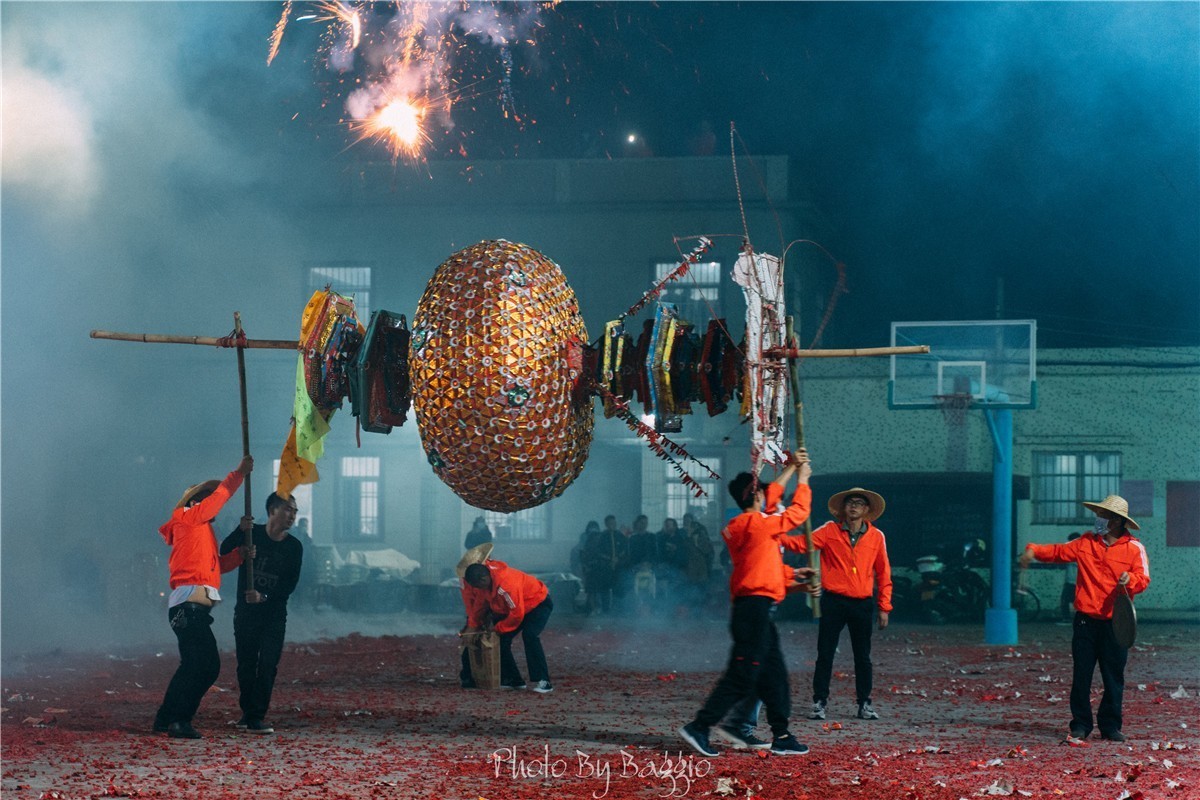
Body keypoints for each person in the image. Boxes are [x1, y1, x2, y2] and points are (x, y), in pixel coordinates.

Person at [678, 449, 816, 758]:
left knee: (774, 675)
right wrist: (803, 479)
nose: (771, 498)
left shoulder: (750, 526)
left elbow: (766, 564)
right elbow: (796, 513)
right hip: (752, 609)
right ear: (756, 497)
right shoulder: (756, 524)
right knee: (742, 675)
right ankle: (700, 726)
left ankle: (781, 733)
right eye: (765, 495)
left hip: (759, 609)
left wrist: (792, 467)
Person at [1019, 495, 1150, 743]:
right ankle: (1080, 725)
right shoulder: (1086, 543)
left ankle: (1110, 726)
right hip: (1085, 622)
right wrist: (1033, 550)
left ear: (1119, 521)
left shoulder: (1135, 548)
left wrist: (1129, 580)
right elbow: (1058, 552)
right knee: (1082, 675)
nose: (1100, 520)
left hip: (1116, 623)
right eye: (1099, 514)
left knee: (1113, 676)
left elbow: (1143, 579)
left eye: (1106, 516)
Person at [152, 455, 254, 740]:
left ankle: (166, 718)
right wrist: (238, 475)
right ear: (196, 501)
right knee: (205, 665)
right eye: (207, 498)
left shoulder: (199, 529)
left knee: (194, 664)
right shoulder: (188, 517)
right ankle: (179, 720)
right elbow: (220, 496)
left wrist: (239, 556)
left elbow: (215, 567)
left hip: (191, 607)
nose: (214, 504)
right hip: (188, 606)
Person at [782, 487, 893, 721]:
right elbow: (803, 544)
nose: (853, 506)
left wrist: (884, 607)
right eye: (850, 502)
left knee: (863, 656)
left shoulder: (876, 537)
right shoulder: (829, 531)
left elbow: (883, 574)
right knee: (825, 654)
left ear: (866, 510)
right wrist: (775, 534)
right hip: (833, 601)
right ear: (843, 508)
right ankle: (819, 702)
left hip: (862, 603)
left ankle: (864, 703)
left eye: (859, 503)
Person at [218, 492, 304, 734]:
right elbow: (224, 552)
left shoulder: (294, 547)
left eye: (295, 512)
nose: (292, 516)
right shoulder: (251, 534)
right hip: (246, 613)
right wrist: (239, 531)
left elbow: (289, 585)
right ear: (272, 510)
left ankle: (257, 715)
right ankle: (247, 713)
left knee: (268, 664)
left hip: (273, 615)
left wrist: (264, 597)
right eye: (288, 510)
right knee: (246, 665)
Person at [462, 559, 555, 692]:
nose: (478, 590)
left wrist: (497, 628)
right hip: (518, 608)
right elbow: (479, 607)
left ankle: (544, 681)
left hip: (538, 603)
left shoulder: (506, 584)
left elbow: (517, 614)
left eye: (478, 586)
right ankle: (514, 679)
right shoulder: (484, 586)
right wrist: (472, 626)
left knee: (530, 635)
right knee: (501, 641)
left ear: (483, 579)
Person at [581, 515, 626, 615]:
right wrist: (610, 559)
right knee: (605, 589)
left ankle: (617, 609)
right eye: (610, 523)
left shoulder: (620, 536)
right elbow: (599, 552)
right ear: (606, 524)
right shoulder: (602, 536)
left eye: (614, 523)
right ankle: (606, 610)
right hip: (605, 567)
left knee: (617, 588)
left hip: (618, 567)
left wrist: (617, 558)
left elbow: (624, 549)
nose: (612, 525)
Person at [1060, 532, 1082, 621]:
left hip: (1075, 582)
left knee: (1067, 600)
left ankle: (1068, 618)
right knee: (1067, 600)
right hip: (1070, 581)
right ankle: (1068, 617)